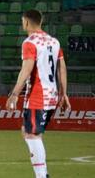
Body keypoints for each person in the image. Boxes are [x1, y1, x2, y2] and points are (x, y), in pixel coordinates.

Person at [6, 9, 70, 178]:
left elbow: (27, 68)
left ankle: (42, 176)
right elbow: (62, 68)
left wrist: (14, 93)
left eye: (22, 21)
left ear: (26, 22)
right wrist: (64, 94)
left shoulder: (30, 42)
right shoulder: (54, 41)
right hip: (52, 96)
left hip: (37, 96)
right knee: (29, 132)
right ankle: (42, 173)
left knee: (31, 135)